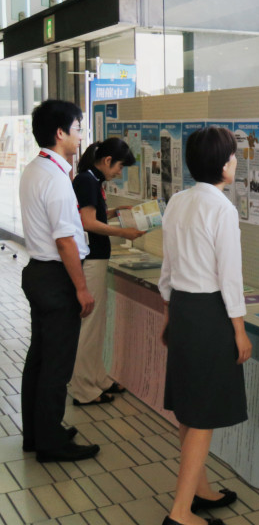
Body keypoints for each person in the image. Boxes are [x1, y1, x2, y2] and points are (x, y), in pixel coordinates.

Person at [158, 126, 251, 525]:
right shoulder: (221, 209)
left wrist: (168, 314)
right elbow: (229, 277)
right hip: (211, 314)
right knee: (203, 416)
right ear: (222, 164)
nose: (236, 162)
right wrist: (240, 330)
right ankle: (180, 513)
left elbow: (168, 268)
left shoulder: (178, 201)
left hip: (182, 309)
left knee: (189, 410)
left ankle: (200, 489)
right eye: (232, 156)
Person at [19, 99, 100, 463]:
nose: (80, 135)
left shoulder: (35, 170)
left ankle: (36, 433)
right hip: (56, 278)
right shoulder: (55, 178)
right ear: (60, 133)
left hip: (38, 273)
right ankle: (51, 443)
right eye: (78, 128)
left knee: (39, 358)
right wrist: (81, 288)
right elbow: (66, 240)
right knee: (56, 364)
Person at [69, 138, 145, 406]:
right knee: (89, 326)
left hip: (95, 260)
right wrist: (123, 231)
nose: (119, 173)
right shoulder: (87, 181)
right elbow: (87, 223)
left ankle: (96, 377)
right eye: (120, 167)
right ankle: (83, 389)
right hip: (90, 262)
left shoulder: (91, 180)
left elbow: (93, 216)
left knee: (96, 325)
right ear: (108, 160)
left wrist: (114, 212)